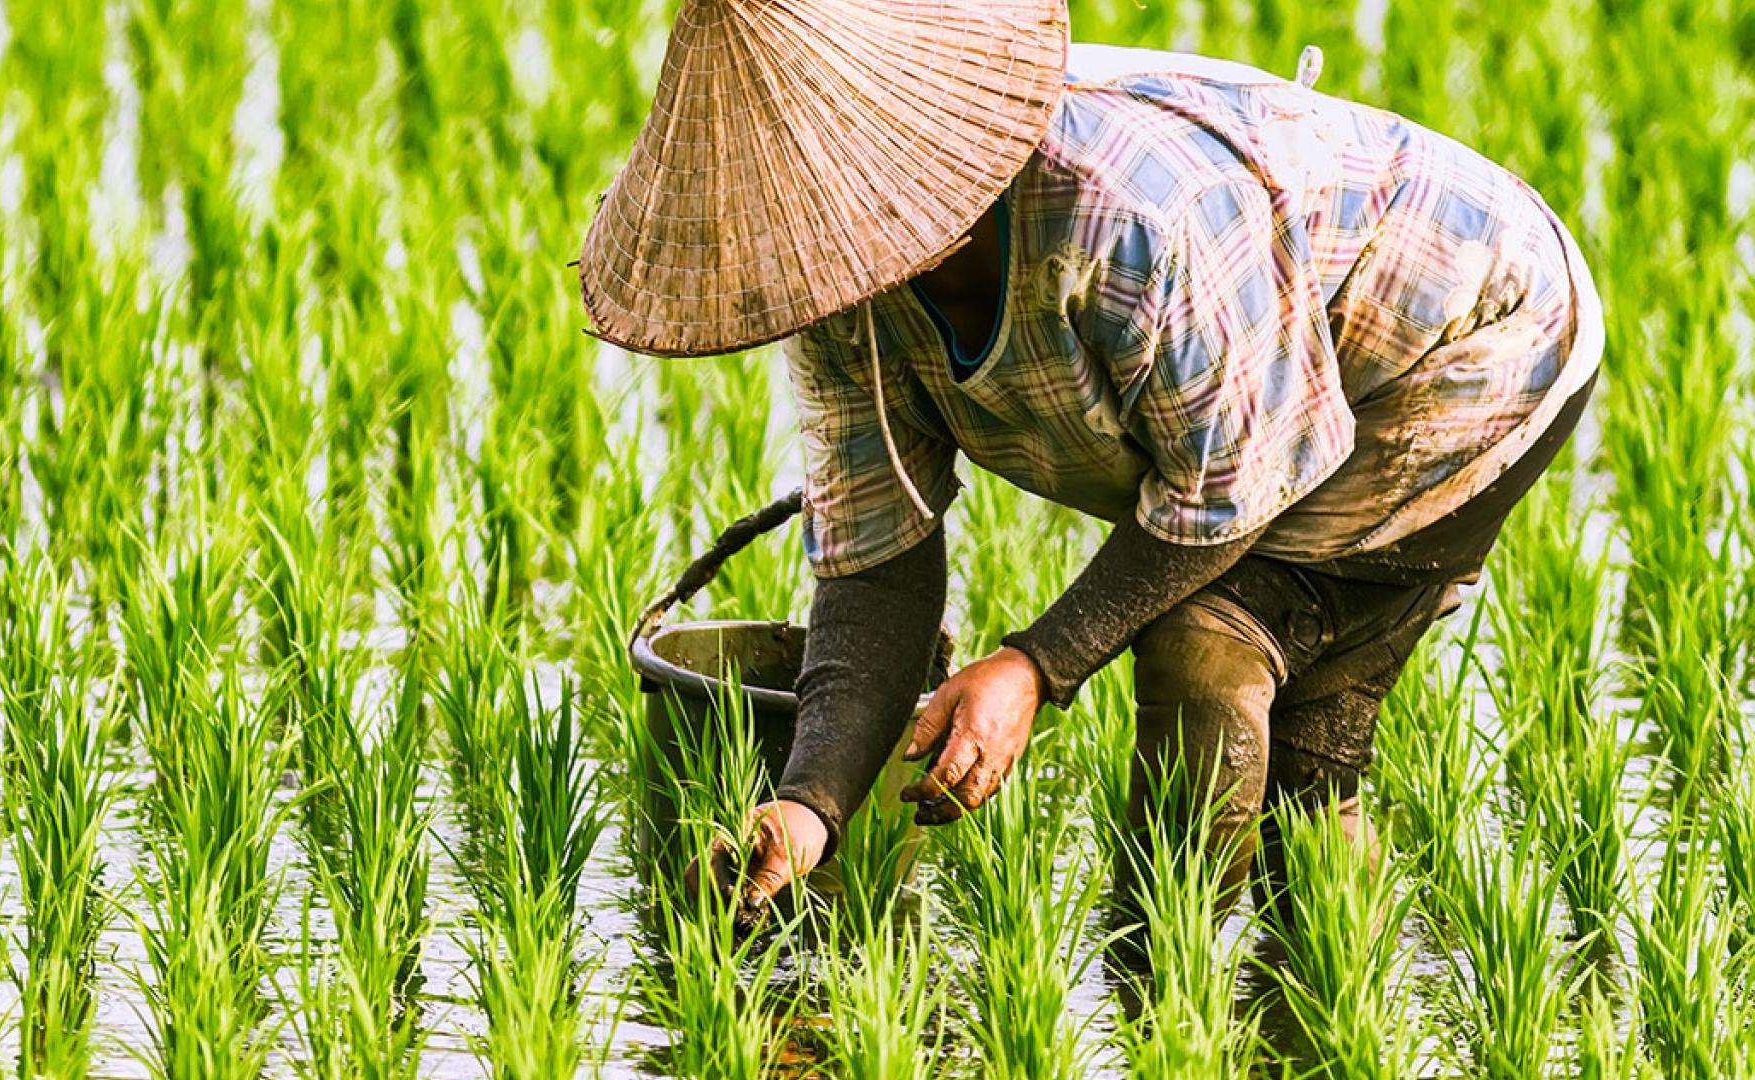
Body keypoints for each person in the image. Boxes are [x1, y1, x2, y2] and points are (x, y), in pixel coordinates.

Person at [577, 0, 1603, 914]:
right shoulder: (844, 300)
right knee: (1293, 760)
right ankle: (1267, 1020)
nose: (828, 260)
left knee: (1210, 649)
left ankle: (1172, 1003)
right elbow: (877, 563)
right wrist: (811, 803)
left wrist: (1033, 664)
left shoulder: (1131, 221)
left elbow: (1225, 485)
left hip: (1471, 337)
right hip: (1279, 389)